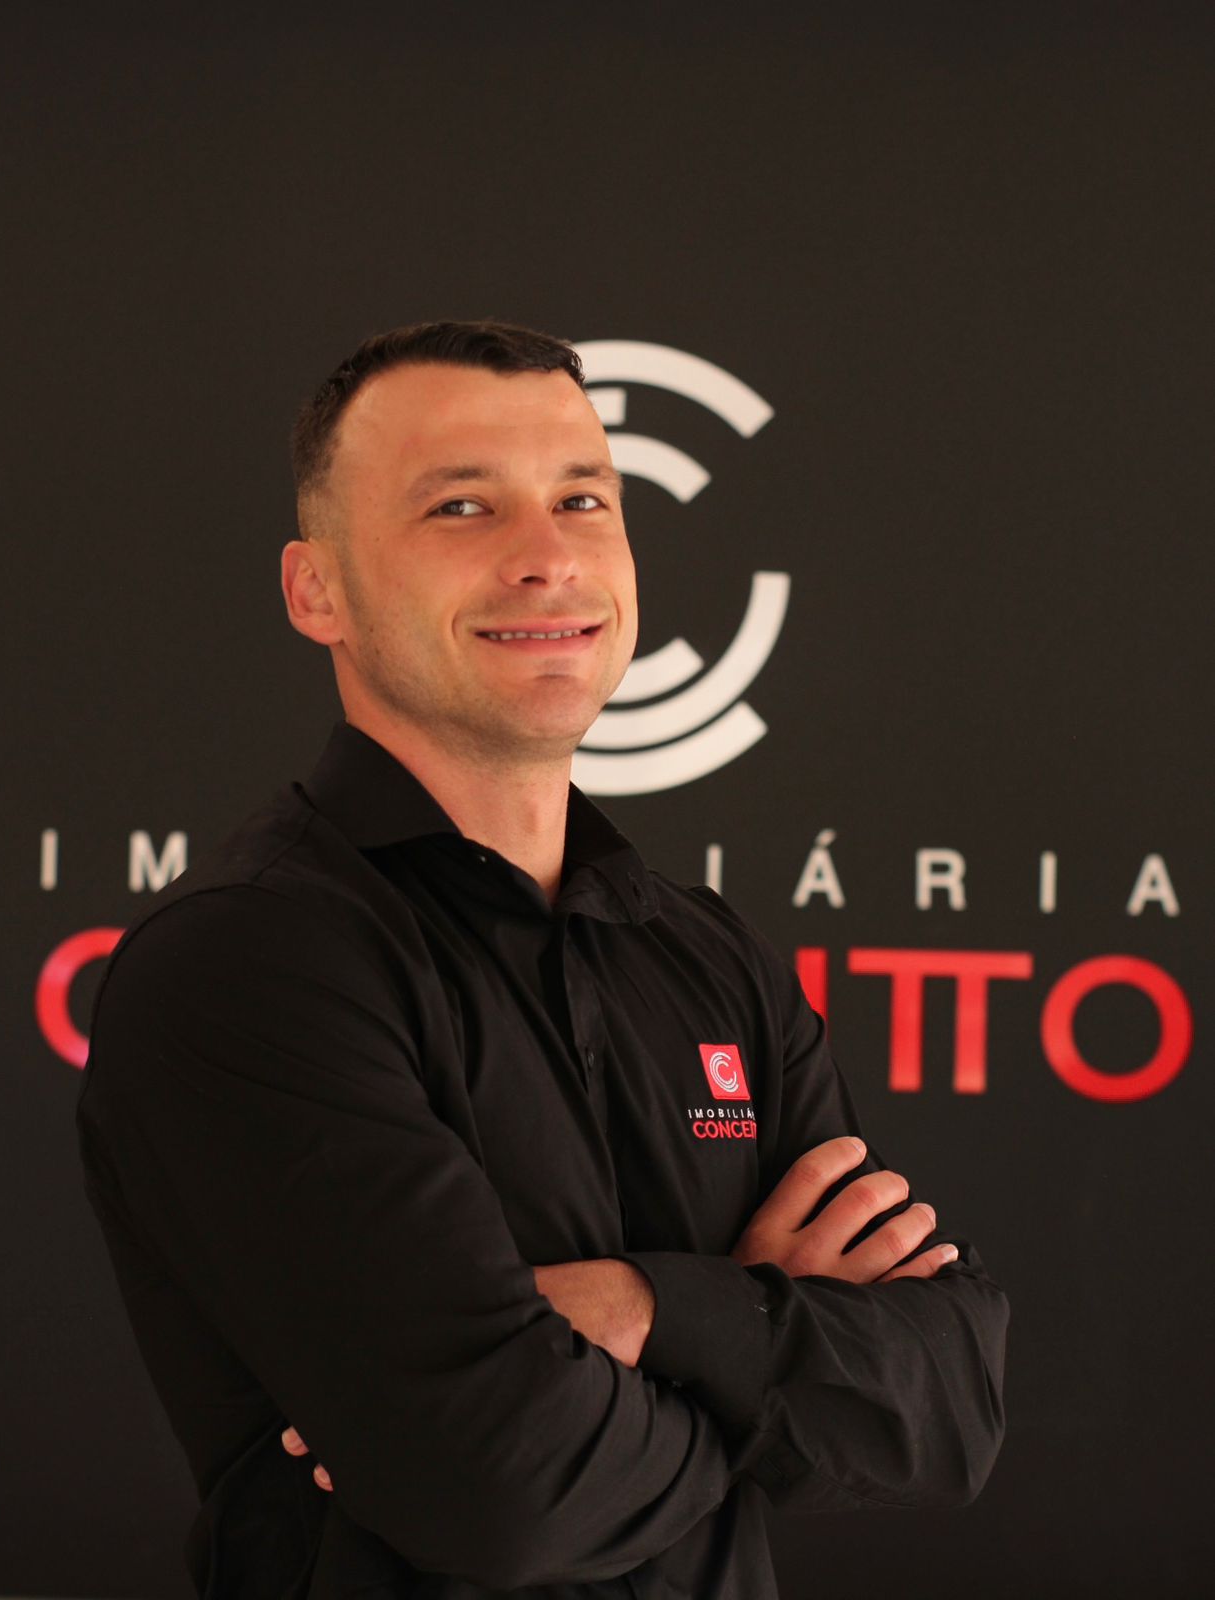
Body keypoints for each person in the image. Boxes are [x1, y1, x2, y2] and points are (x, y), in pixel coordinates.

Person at [78, 320, 1008, 1599]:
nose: (549, 556)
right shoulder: (248, 962)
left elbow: (943, 1409)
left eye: (583, 499)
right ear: (316, 591)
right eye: (461, 507)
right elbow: (500, 1487)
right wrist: (756, 1343)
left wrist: (642, 1309)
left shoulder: (706, 953)